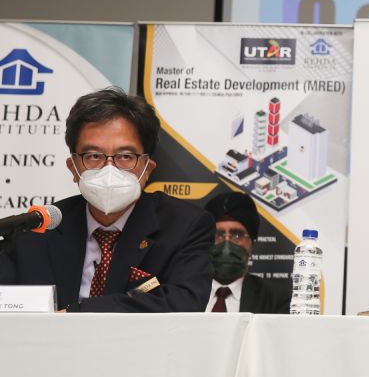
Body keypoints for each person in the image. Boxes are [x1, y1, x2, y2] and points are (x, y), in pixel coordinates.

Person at [0, 87, 214, 312]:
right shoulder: (38, 230)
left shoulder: (184, 226)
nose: (109, 168)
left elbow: (184, 301)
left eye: (124, 157)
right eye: (94, 156)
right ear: (73, 168)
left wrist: (77, 314)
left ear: (147, 169)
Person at [204, 191, 290, 314]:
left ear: (252, 243)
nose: (226, 246)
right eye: (218, 235)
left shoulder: (276, 299)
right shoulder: (184, 294)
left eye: (237, 235)